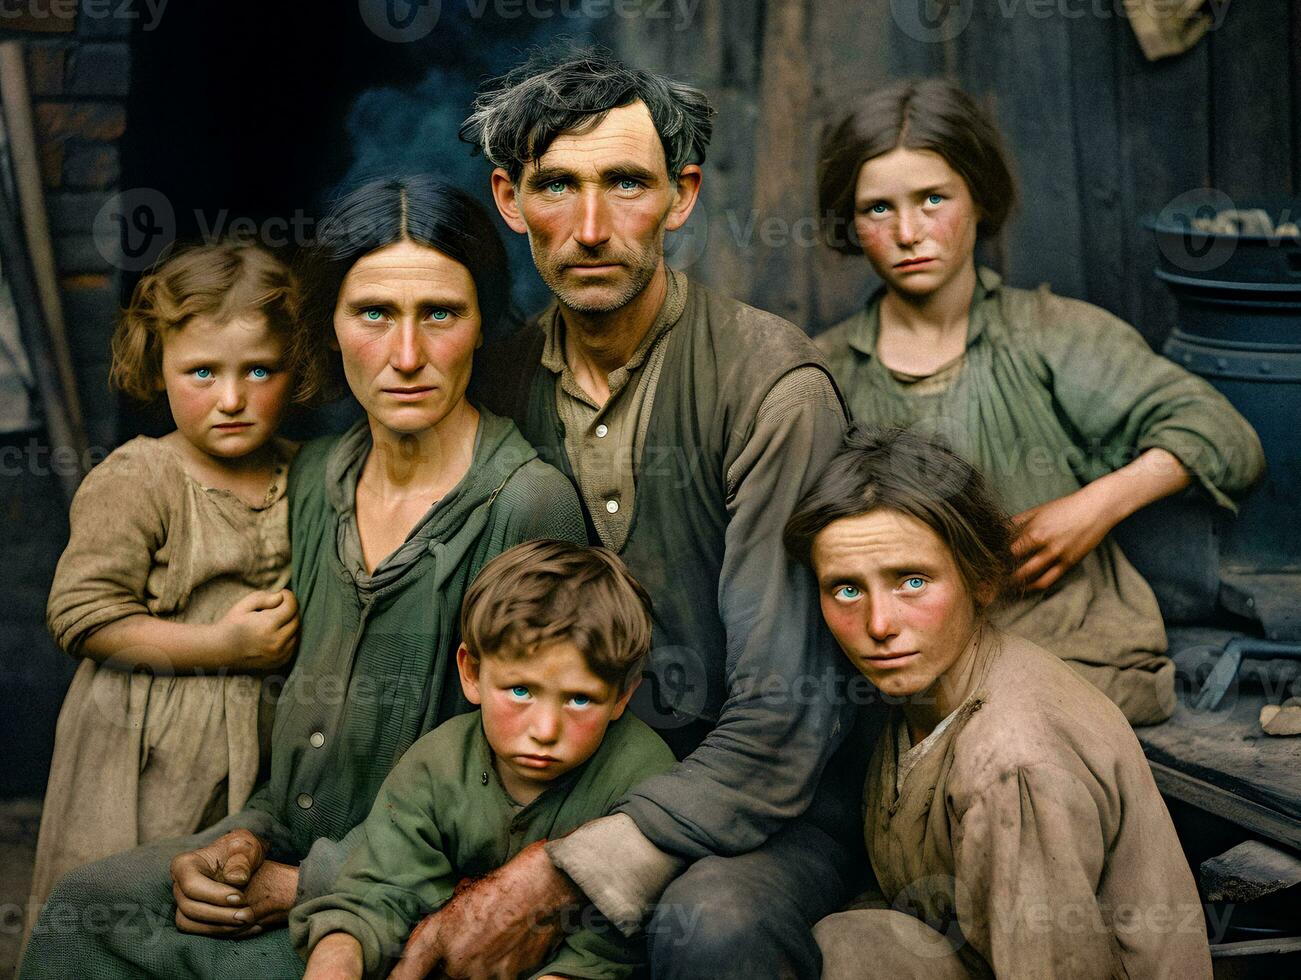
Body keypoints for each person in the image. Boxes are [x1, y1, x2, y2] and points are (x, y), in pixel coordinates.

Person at [19, 177, 586, 980]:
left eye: (441, 314)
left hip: (408, 891)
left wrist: (309, 883)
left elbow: (526, 781)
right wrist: (243, 839)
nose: (406, 356)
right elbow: (298, 743)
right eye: (373, 314)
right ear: (327, 328)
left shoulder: (526, 503)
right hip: (285, 851)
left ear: (482, 326)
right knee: (85, 909)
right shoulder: (317, 479)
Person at [394, 50, 856, 980]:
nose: (591, 227)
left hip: (760, 801)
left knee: (710, 926)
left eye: (626, 184)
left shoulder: (771, 387)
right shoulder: (495, 386)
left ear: (681, 196)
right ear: (509, 200)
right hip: (544, 777)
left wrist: (561, 870)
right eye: (556, 185)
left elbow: (784, 716)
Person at [815, 79, 1264, 726]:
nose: (908, 231)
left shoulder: (1051, 335)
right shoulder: (822, 372)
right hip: (900, 684)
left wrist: (1093, 507)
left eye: (933, 198)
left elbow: (1226, 438)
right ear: (849, 223)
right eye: (877, 209)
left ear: (977, 200)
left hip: (1072, 656)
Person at [786, 426, 1212, 979]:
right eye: (846, 589)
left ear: (981, 579)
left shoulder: (1012, 766)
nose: (879, 624)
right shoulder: (921, 692)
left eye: (912, 581)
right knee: (849, 944)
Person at [25, 241, 310, 948]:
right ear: (159, 367)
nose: (232, 398)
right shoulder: (141, 477)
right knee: (125, 913)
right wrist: (222, 646)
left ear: (295, 368)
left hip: (258, 745)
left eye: (260, 370)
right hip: (144, 747)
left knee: (218, 913)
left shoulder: (308, 475)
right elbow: (83, 614)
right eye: (202, 372)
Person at [295, 540, 676, 980]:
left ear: (621, 696)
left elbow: (607, 954)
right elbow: (374, 894)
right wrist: (337, 960)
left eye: (578, 698)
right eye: (520, 690)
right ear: (472, 674)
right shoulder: (435, 766)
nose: (545, 730)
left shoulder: (642, 779)